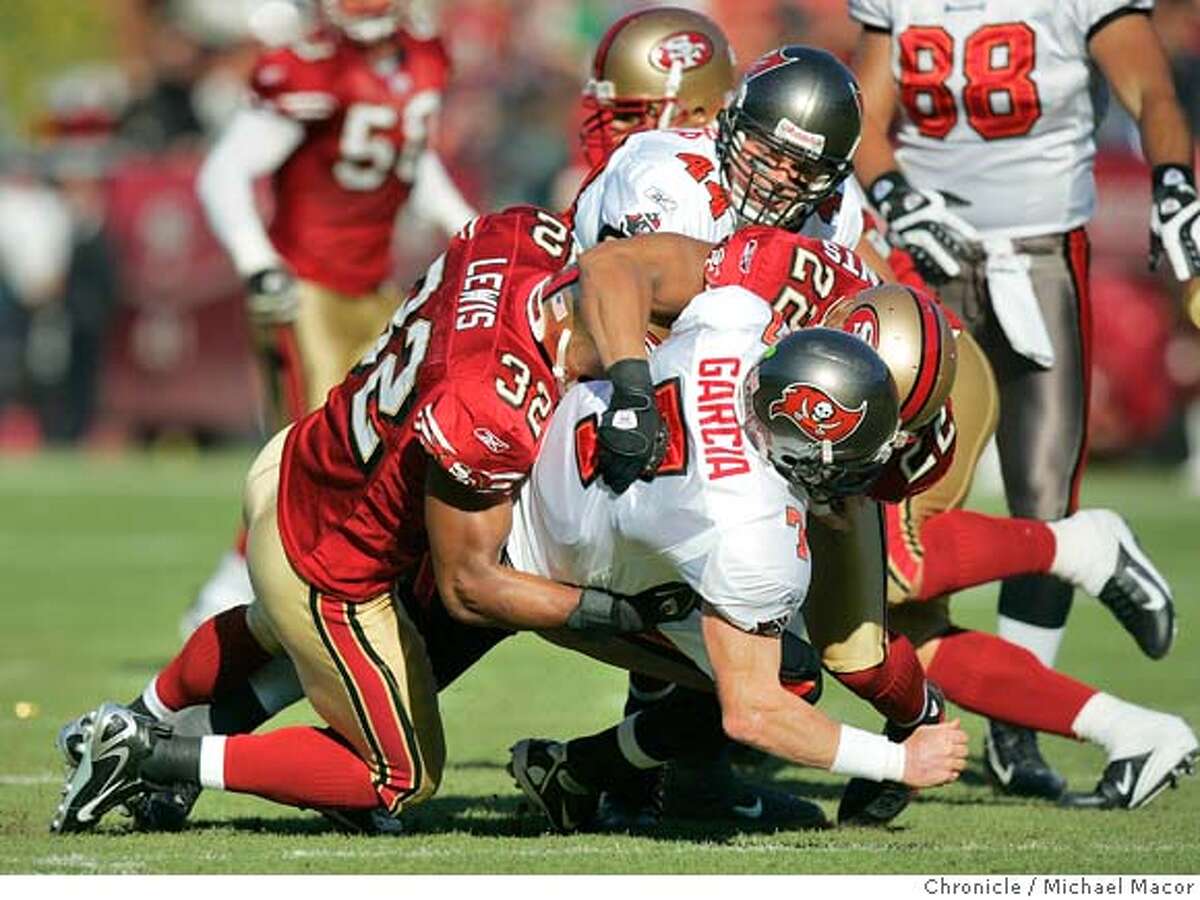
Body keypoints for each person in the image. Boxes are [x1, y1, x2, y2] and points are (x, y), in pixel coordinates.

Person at [50, 205, 687, 834]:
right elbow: (469, 588)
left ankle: (140, 713)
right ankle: (152, 758)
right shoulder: (494, 404)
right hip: (328, 563)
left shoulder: (519, 235)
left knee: (275, 633)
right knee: (399, 774)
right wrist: (612, 614)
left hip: (300, 459)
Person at [849, 0, 1197, 797]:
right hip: (923, 256)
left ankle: (1016, 731)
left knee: (1043, 501)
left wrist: (1174, 180)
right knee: (901, 513)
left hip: (1040, 252)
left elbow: (1154, 93)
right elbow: (865, 114)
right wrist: (899, 195)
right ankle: (914, 718)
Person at [184, 0, 478, 635]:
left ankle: (357, 591)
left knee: (375, 449)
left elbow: (413, 157)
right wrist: (257, 262)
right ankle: (225, 602)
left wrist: (467, 230)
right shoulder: (307, 69)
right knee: (308, 451)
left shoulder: (423, 58)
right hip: (305, 286)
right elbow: (224, 174)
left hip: (374, 289)